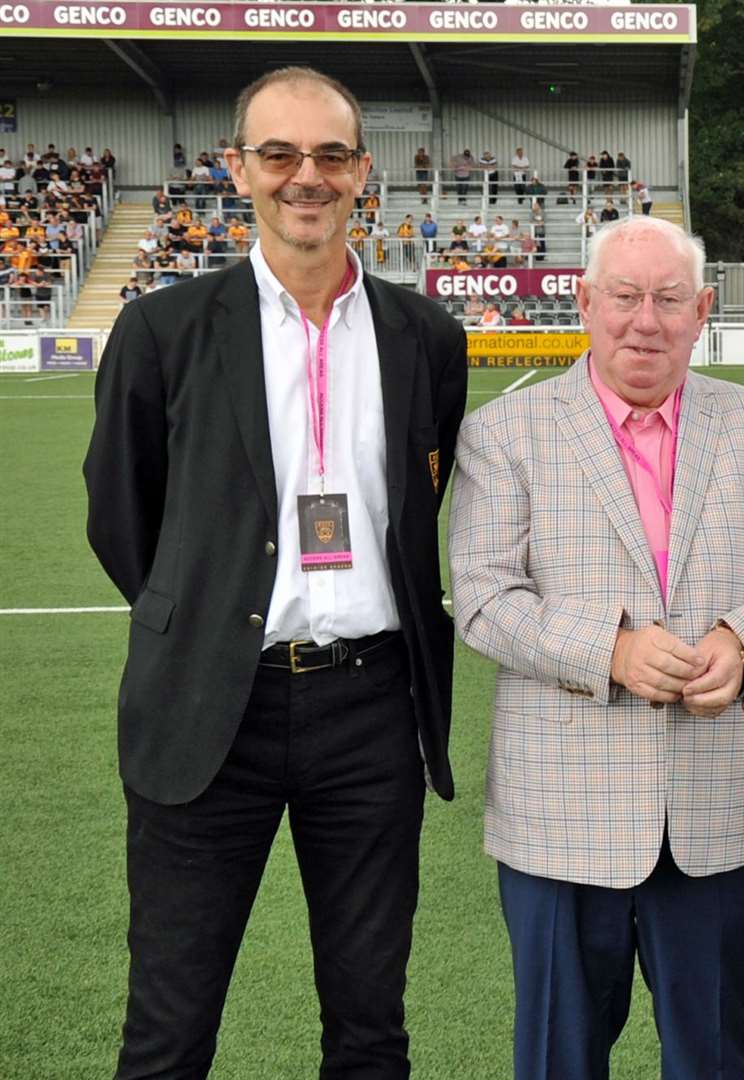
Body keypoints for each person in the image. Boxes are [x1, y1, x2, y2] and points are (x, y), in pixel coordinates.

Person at [83, 66, 469, 1080]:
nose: (308, 176)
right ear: (238, 170)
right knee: (168, 1030)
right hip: (211, 707)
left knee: (371, 1025)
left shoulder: (424, 335)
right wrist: (207, 619)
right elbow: (125, 518)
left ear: (361, 173)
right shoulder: (162, 331)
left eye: (330, 155)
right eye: (280, 155)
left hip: (373, 710)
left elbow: (424, 500)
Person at [448, 214, 744, 1079]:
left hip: (716, 813)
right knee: (559, 1060)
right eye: (624, 297)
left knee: (715, 1058)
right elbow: (481, 597)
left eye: (668, 299)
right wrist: (611, 651)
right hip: (560, 817)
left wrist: (743, 642)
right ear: (584, 303)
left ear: (702, 310)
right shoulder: (506, 433)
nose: (645, 320)